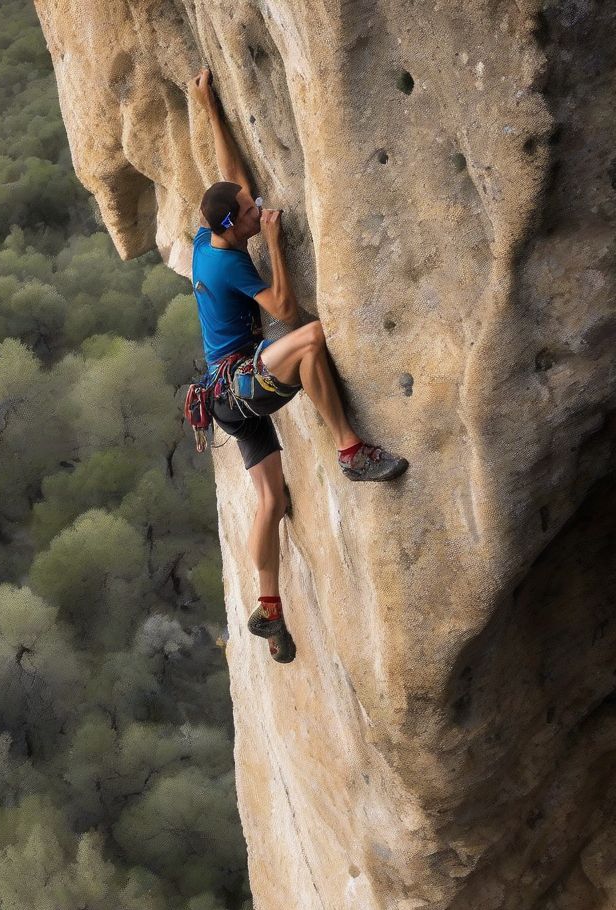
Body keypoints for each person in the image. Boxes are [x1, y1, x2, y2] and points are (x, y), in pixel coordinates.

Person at [188, 68, 408, 664]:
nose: (258, 207)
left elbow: (228, 180)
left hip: (222, 397)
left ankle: (271, 611)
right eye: (251, 211)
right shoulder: (227, 264)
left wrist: (211, 107)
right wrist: (278, 244)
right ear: (234, 226)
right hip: (238, 386)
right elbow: (284, 309)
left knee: (271, 500)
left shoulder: (209, 238)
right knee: (309, 339)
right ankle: (351, 452)